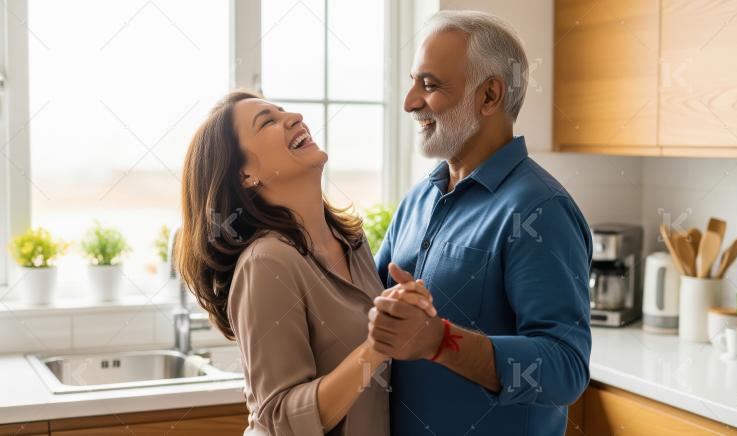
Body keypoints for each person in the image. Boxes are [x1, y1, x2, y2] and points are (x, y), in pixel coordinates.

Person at [369, 10, 593, 436]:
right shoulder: (418, 200)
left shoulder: (540, 210)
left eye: (429, 85)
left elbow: (565, 369)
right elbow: (369, 302)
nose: (409, 102)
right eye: (413, 82)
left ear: (489, 95)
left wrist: (439, 341)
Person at [175, 90, 435, 436]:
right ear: (245, 175)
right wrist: (376, 348)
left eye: (283, 110)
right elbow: (280, 417)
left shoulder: (351, 241)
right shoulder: (267, 262)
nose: (294, 117)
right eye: (267, 122)